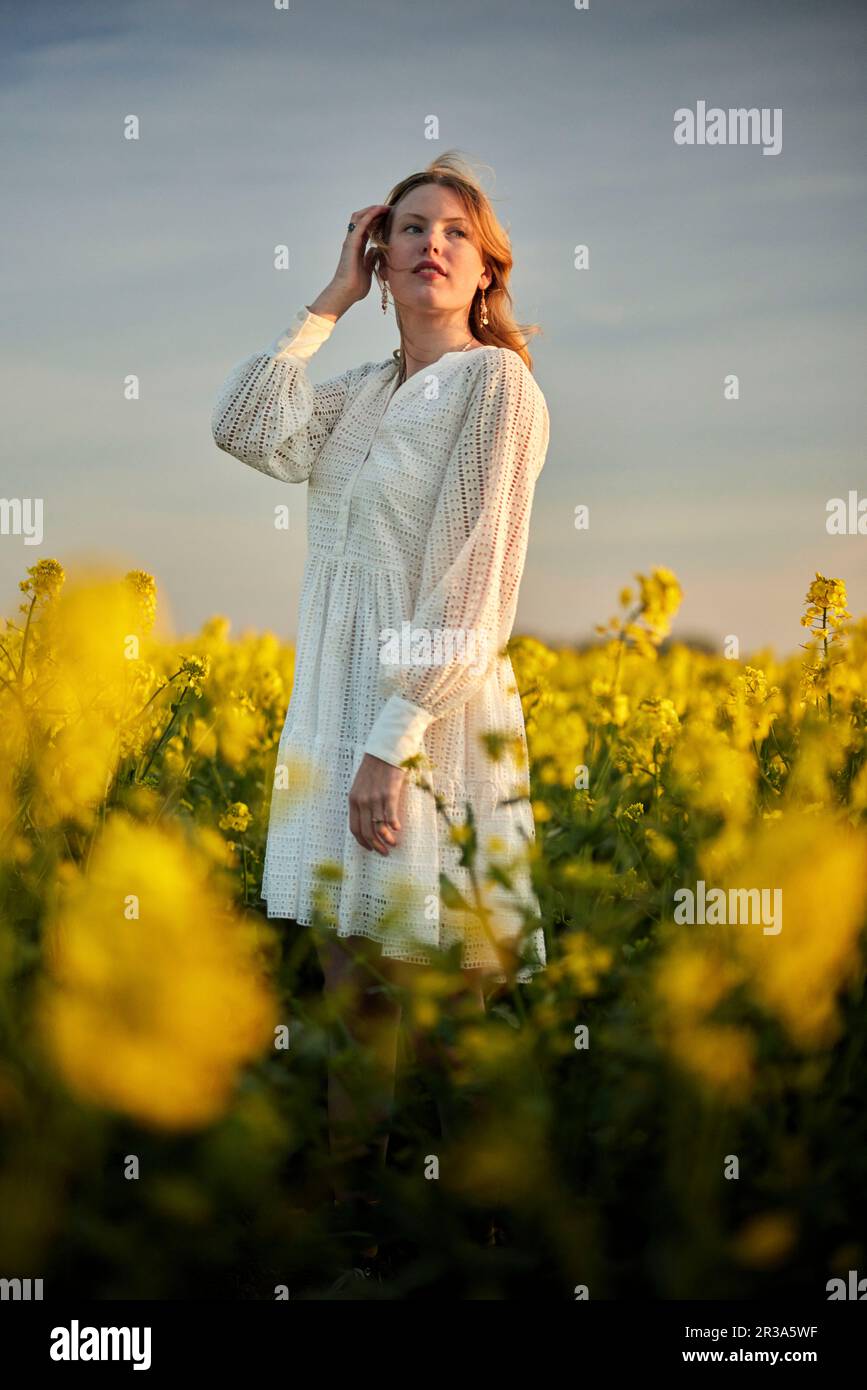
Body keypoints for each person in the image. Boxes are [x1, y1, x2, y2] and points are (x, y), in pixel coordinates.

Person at [211, 151, 551, 1242]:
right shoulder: (357, 392)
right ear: (379, 253)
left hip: (424, 712)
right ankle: (354, 1226)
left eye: (455, 231)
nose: (431, 245)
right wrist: (327, 302)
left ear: (485, 264)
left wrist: (388, 742)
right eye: (408, 229)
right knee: (350, 978)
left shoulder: (498, 386)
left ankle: (478, 1237)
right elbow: (246, 429)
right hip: (336, 691)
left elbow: (478, 574)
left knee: (445, 982)